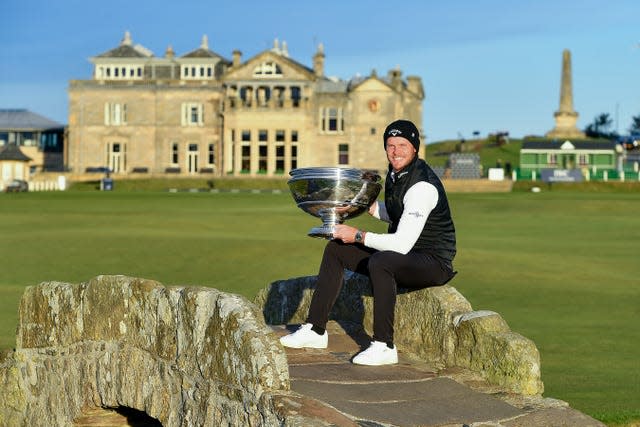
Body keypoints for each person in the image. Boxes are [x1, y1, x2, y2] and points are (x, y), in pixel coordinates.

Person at [280, 119, 457, 366]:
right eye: (391, 145)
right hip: (406, 256)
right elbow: (397, 213)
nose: (395, 151)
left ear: (415, 148)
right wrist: (360, 206)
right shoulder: (397, 174)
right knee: (336, 249)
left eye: (402, 145)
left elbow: (402, 244)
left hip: (432, 262)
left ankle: (384, 346)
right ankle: (315, 330)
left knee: (382, 261)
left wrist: (358, 235)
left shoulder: (422, 186)